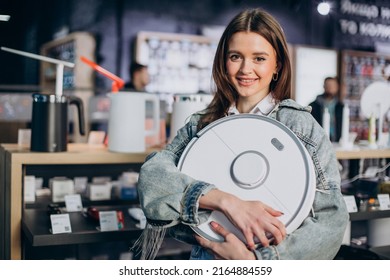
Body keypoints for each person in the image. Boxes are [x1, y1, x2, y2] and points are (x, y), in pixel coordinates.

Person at [135, 8, 349, 260]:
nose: (246, 69)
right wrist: (226, 201)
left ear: (277, 65)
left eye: (259, 58)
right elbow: (153, 178)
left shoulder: (300, 127)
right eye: (236, 56)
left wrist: (257, 260)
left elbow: (331, 221)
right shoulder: (202, 123)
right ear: (224, 62)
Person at [309, 77, 344, 142]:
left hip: (337, 142)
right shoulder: (313, 106)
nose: (330, 88)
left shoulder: (341, 107)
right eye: (328, 85)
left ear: (337, 87)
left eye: (333, 85)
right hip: (318, 142)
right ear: (324, 86)